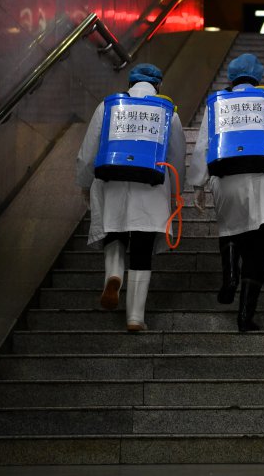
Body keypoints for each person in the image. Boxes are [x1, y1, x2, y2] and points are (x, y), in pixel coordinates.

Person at [187, 53, 264, 332]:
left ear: (231, 77)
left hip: (226, 181)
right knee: (258, 249)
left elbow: (203, 146)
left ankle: (229, 276)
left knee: (230, 231)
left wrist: (198, 185)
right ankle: (244, 316)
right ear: (258, 76)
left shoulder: (217, 104)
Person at [76, 63, 186, 332]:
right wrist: (176, 193)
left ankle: (113, 274)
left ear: (130, 82)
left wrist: (84, 183)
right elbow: (176, 157)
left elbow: (88, 151)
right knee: (141, 247)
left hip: (111, 181)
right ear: (158, 85)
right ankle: (135, 317)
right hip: (150, 186)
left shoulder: (109, 106)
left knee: (114, 231)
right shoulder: (167, 112)